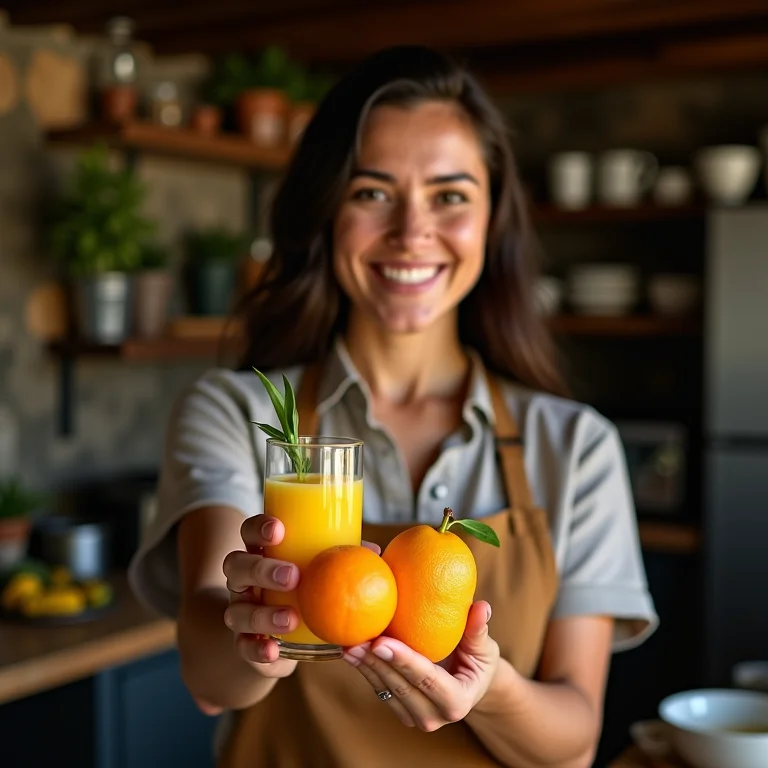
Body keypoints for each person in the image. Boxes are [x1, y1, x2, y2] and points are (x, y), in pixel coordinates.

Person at [129, 45, 658, 768]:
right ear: (326, 212)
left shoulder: (574, 446)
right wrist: (257, 635)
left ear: (492, 221)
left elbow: (573, 742)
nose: (413, 232)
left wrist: (490, 688)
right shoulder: (234, 410)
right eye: (372, 192)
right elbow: (208, 674)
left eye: (450, 195)